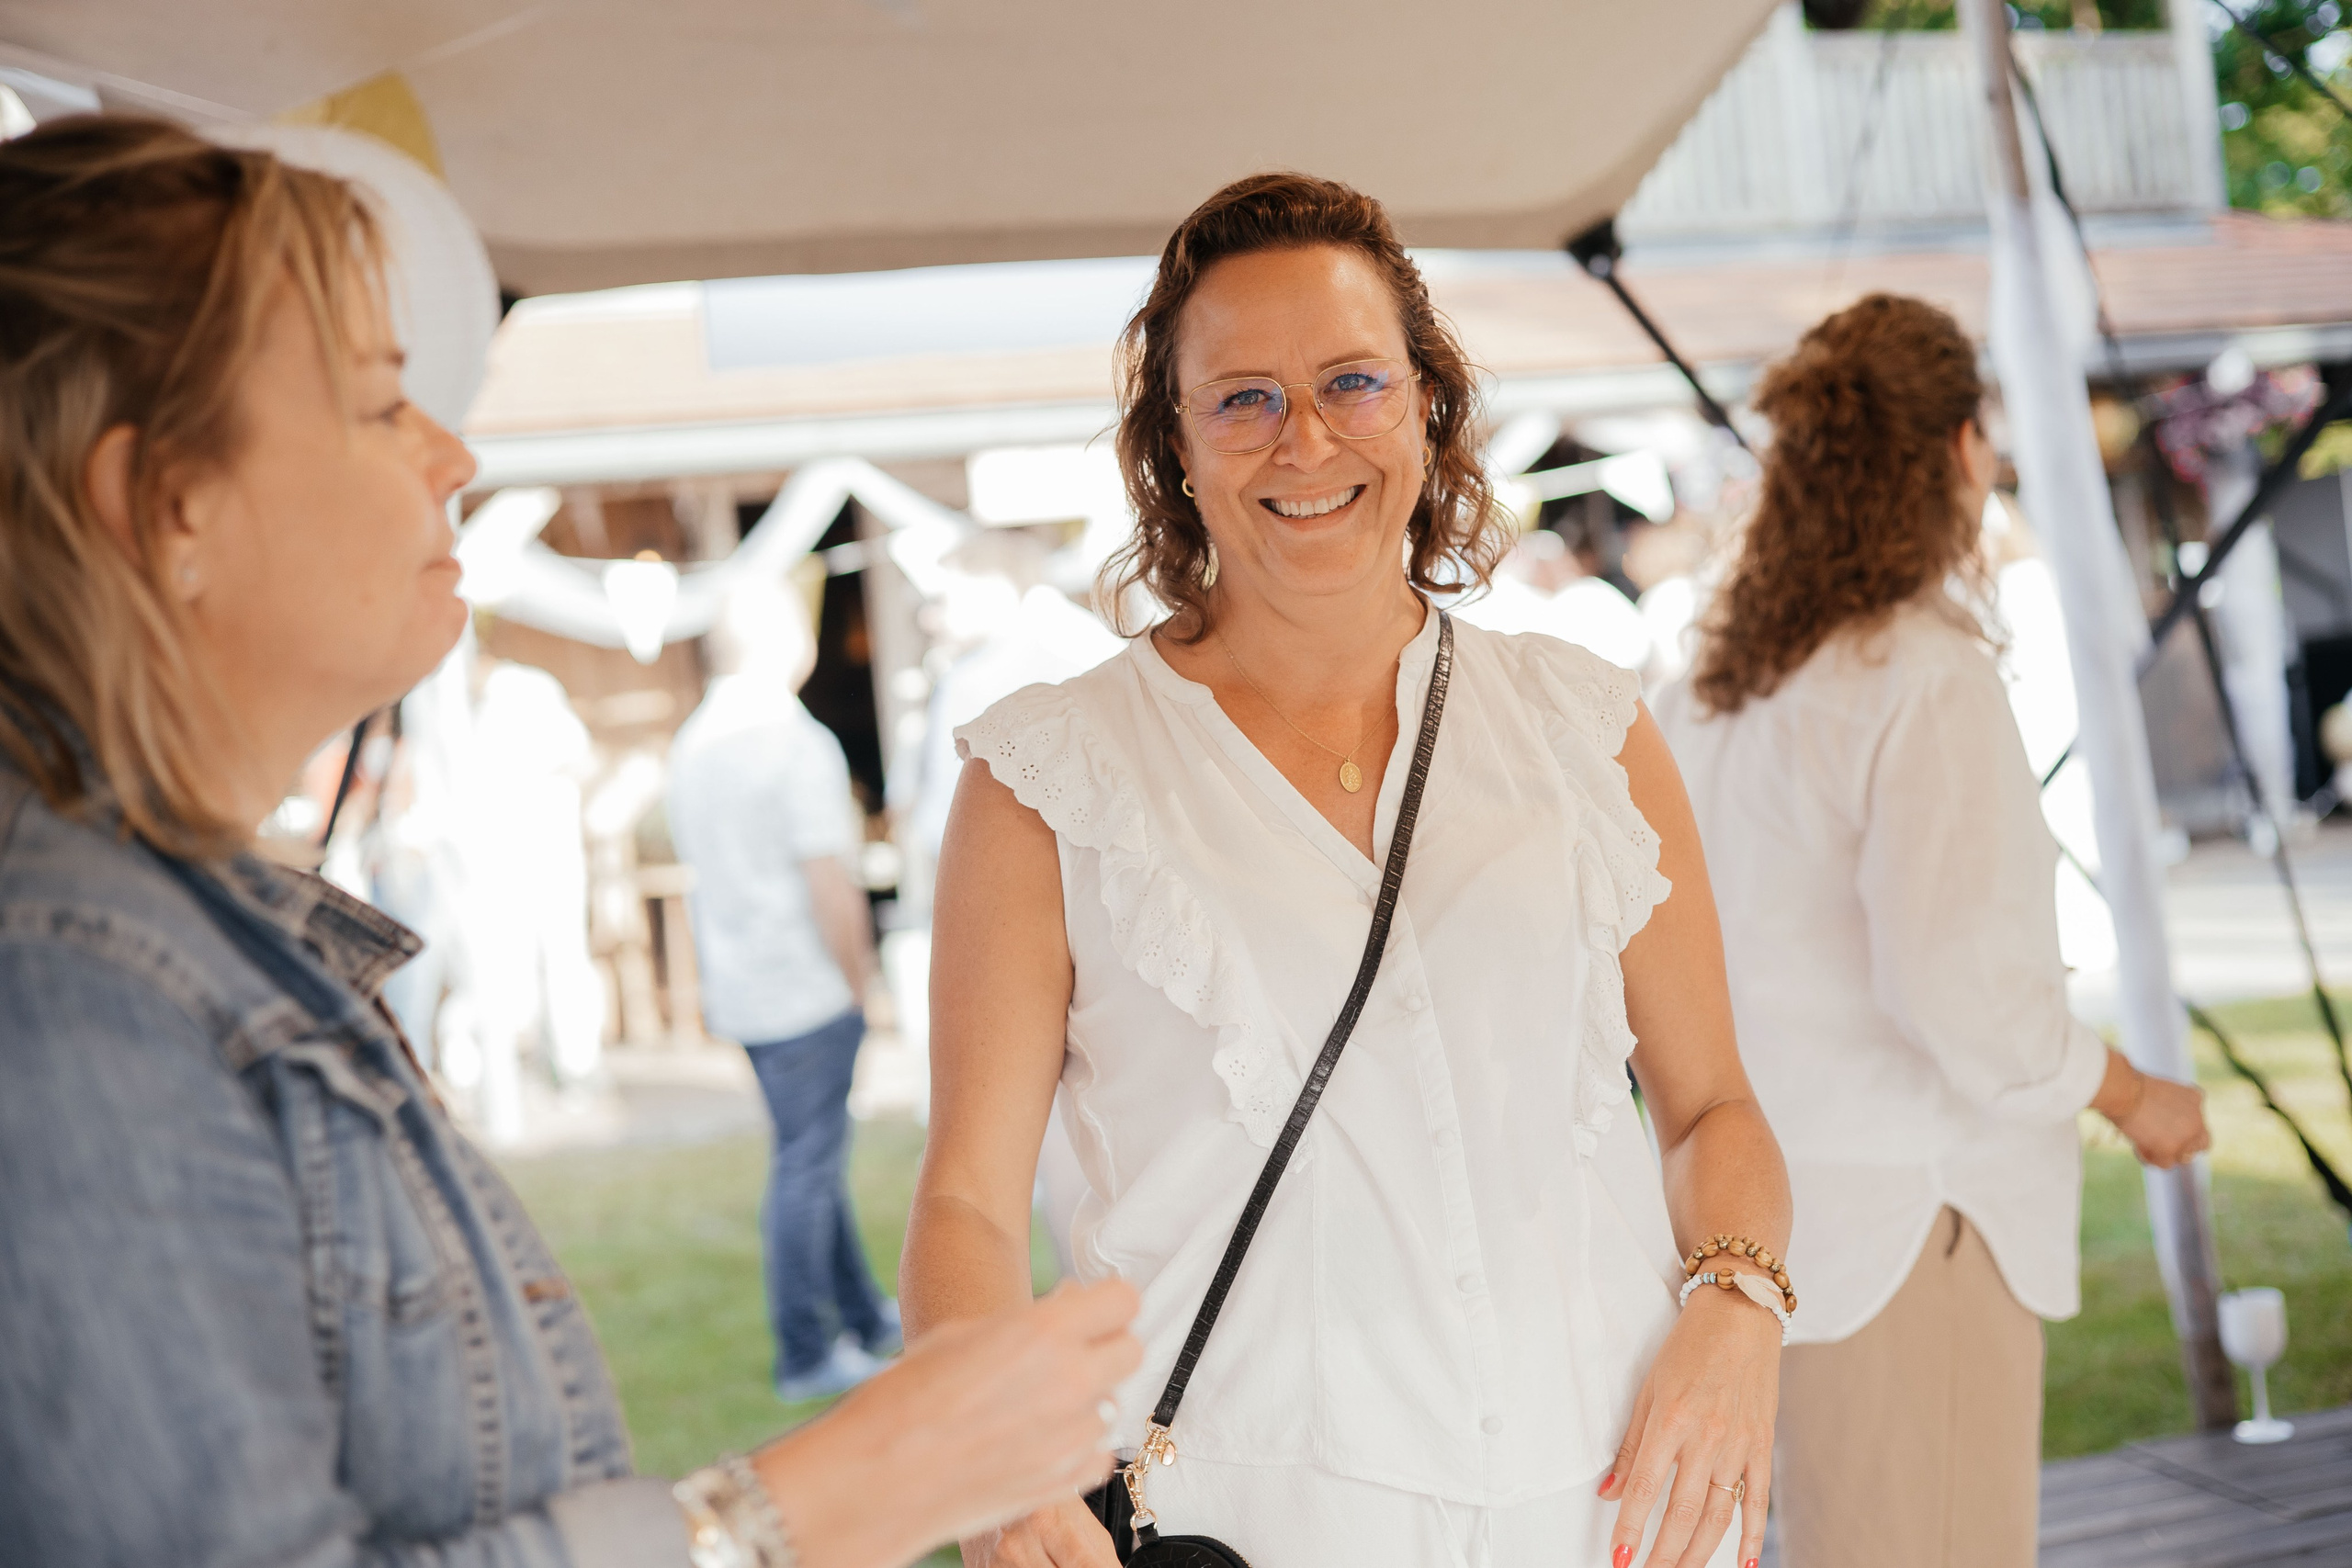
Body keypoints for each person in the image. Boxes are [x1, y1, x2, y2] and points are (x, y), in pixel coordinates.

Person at [0, 114, 1139, 1568]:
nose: (452, 452)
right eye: (374, 403)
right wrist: (819, 1499)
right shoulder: (69, 985)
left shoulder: (191, 930)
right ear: (166, 506)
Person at [903, 172, 1791, 1568]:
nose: (1304, 437)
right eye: (1242, 397)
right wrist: (997, 1457)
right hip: (1248, 1514)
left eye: (1352, 382)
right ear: (1176, 448)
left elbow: (1711, 1109)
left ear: (1428, 408)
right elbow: (963, 1196)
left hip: (1613, 1497)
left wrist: (1741, 1308)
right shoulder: (1047, 778)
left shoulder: (1589, 726)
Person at [1651, 294, 2211, 1568]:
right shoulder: (1920, 675)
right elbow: (1966, 996)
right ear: (1962, 451)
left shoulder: (1704, 690)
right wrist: (2132, 1092)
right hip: (1909, 1230)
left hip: (1747, 1239)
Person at [668, 578, 899, 1400]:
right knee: (807, 1165)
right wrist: (860, 980)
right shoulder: (790, 741)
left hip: (743, 984)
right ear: (783, 641)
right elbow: (828, 881)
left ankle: (867, 1315)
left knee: (814, 1156)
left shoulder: (693, 740)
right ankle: (806, 1349)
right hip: (803, 985)